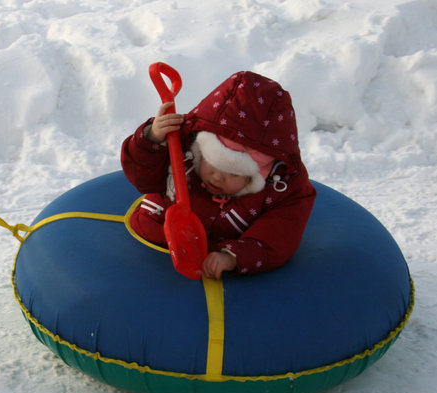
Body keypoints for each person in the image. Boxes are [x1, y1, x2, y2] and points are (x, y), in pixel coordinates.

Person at [121, 70, 316, 279]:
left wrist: (234, 256)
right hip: (149, 238)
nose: (216, 177)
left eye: (232, 173)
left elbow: (279, 234)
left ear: (257, 175)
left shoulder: (277, 193)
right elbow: (142, 176)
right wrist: (152, 139)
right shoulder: (182, 148)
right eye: (212, 164)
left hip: (210, 260)